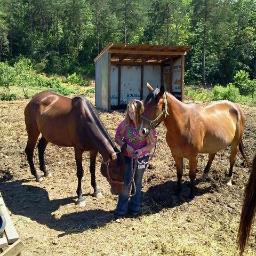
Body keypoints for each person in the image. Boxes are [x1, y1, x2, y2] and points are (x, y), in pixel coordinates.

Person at [114, 99, 157, 219]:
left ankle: (135, 209)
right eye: (129, 112)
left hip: (141, 158)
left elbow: (151, 144)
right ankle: (121, 210)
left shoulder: (146, 126)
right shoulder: (125, 124)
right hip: (128, 157)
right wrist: (125, 146)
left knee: (137, 181)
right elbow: (117, 137)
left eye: (133, 112)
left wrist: (141, 151)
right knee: (127, 181)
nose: (130, 115)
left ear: (139, 112)